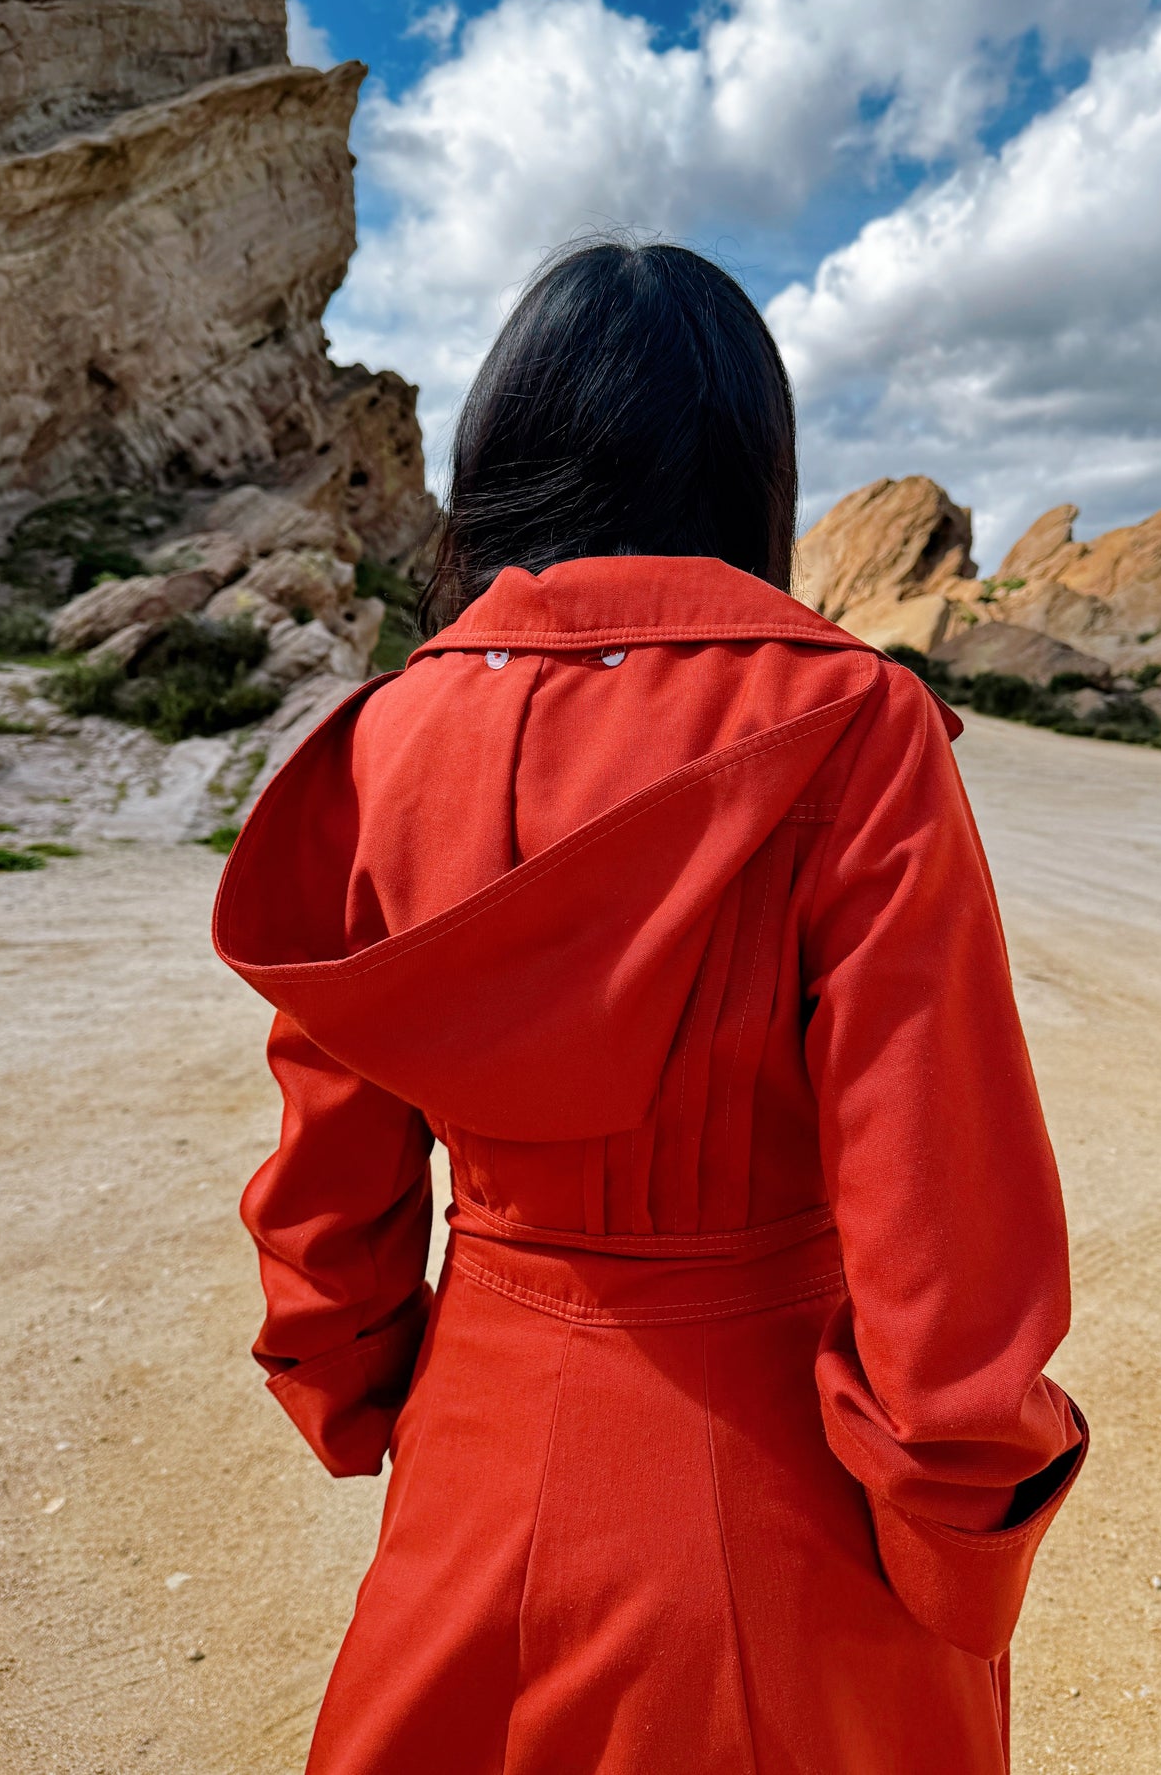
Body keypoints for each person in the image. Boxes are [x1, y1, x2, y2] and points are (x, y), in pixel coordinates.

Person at [213, 240, 1086, 1775]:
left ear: (501, 454)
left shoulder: (381, 739)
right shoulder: (858, 728)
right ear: (755, 464)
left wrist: (358, 1392)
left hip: (478, 1462)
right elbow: (941, 1219)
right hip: (787, 1504)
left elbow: (327, 1184)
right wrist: (962, 1542)